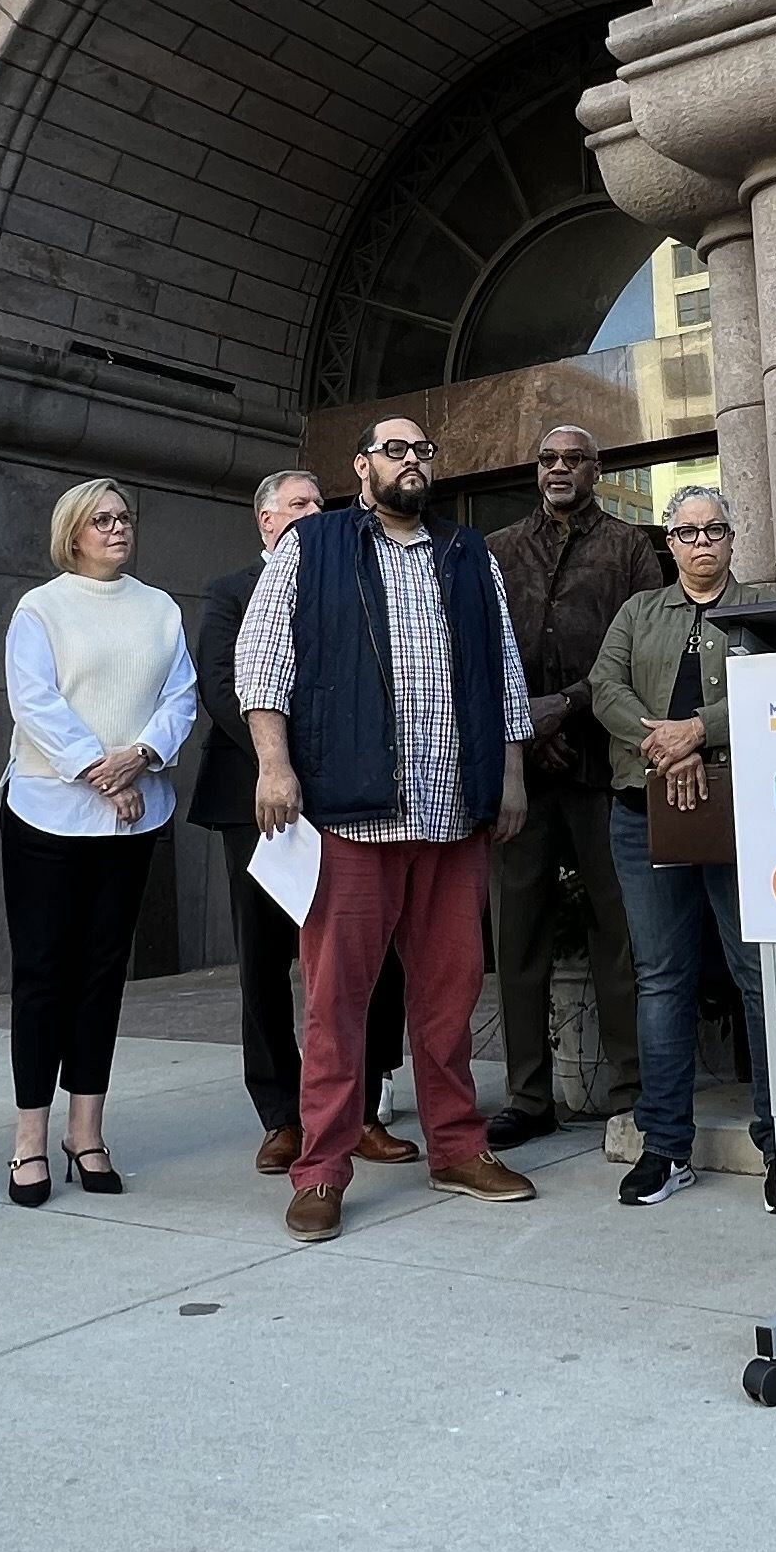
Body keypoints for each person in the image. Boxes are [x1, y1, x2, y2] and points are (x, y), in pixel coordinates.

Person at [237, 417, 543, 1240]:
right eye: (395, 450)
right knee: (337, 1004)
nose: (412, 462)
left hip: (454, 812)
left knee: (449, 999)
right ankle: (323, 1169)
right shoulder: (315, 546)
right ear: (362, 465)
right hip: (350, 812)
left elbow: (506, 670)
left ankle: (457, 1149)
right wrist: (275, 765)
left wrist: (509, 775)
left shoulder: (468, 553)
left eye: (423, 451)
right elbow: (262, 660)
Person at [189, 469, 407, 1176]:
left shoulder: (354, 580)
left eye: (322, 504)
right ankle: (282, 1115)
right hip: (256, 798)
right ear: (266, 521)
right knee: (264, 959)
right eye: (301, 505)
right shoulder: (229, 591)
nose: (316, 514)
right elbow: (224, 683)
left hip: (351, 797)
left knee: (367, 955)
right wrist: (282, 755)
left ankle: (363, 1109)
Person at [0, 479, 202, 1205]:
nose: (118, 528)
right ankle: (29, 1139)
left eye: (124, 518)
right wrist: (99, 770)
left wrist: (140, 757)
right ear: (73, 533)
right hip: (50, 815)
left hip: (133, 815)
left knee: (101, 975)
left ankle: (87, 1132)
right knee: (45, 973)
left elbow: (182, 696)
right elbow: (34, 700)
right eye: (102, 519)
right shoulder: (41, 608)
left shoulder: (159, 608)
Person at [584, 482, 775, 1208]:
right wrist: (662, 742)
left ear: (732, 540)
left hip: (743, 811)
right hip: (644, 809)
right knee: (662, 977)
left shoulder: (759, 609)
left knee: (757, 971)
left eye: (714, 530)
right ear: (670, 543)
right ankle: (666, 1148)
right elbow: (605, 688)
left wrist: (701, 730)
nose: (702, 543)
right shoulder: (639, 612)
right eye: (688, 532)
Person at [484, 424, 663, 1143]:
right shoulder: (497, 550)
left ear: (598, 469)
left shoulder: (629, 548)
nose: (559, 469)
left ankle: (632, 1090)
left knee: (617, 933)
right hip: (519, 772)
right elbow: (482, 651)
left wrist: (566, 711)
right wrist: (527, 731)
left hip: (602, 764)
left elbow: (642, 650)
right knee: (518, 934)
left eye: (573, 460)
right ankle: (528, 1099)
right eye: (548, 459)